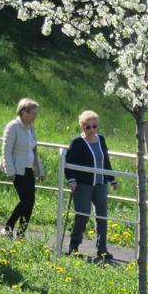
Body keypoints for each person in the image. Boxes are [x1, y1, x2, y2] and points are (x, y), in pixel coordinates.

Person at [65, 110, 118, 259]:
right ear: (82, 127)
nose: (92, 130)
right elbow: (68, 163)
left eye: (94, 126)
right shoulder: (77, 142)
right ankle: (74, 243)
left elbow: (105, 161)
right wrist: (72, 180)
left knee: (102, 216)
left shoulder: (100, 139)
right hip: (83, 184)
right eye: (88, 127)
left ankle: (102, 248)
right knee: (83, 214)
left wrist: (112, 179)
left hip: (100, 183)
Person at [0, 98, 45, 239]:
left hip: (28, 169)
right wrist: (10, 171)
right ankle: (7, 229)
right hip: (17, 169)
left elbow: (33, 152)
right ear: (23, 112)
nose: (35, 116)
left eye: (36, 113)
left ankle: (21, 234)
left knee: (30, 201)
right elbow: (6, 150)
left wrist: (39, 171)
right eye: (32, 113)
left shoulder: (31, 129)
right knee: (25, 199)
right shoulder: (13, 127)